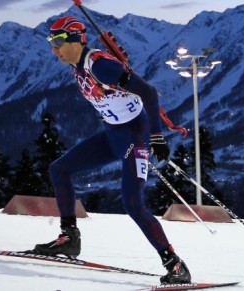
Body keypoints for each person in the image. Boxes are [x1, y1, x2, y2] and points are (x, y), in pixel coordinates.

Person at [33, 16, 191, 285]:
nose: (53, 49)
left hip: (135, 136)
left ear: (76, 39)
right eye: (51, 42)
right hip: (113, 135)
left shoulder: (100, 65)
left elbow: (149, 93)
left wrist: (156, 137)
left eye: (58, 42)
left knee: (132, 202)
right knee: (60, 168)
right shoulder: (76, 65)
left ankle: (175, 265)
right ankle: (69, 238)